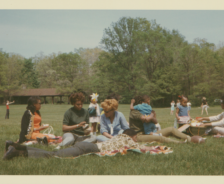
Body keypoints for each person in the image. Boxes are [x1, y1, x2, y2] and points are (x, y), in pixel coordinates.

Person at [3, 129, 155, 160]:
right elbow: (140, 148)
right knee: (54, 155)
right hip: (89, 147)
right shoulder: (128, 140)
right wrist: (150, 147)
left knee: (54, 154)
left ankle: (16, 147)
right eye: (136, 137)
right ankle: (17, 152)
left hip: (87, 146)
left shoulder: (119, 137)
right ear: (131, 136)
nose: (136, 139)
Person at [129, 94, 194, 144]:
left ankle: (189, 138)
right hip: (139, 135)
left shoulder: (146, 110)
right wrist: (151, 115)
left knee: (171, 129)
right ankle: (179, 143)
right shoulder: (134, 112)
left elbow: (155, 121)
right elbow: (146, 119)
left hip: (150, 132)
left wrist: (152, 116)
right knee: (158, 137)